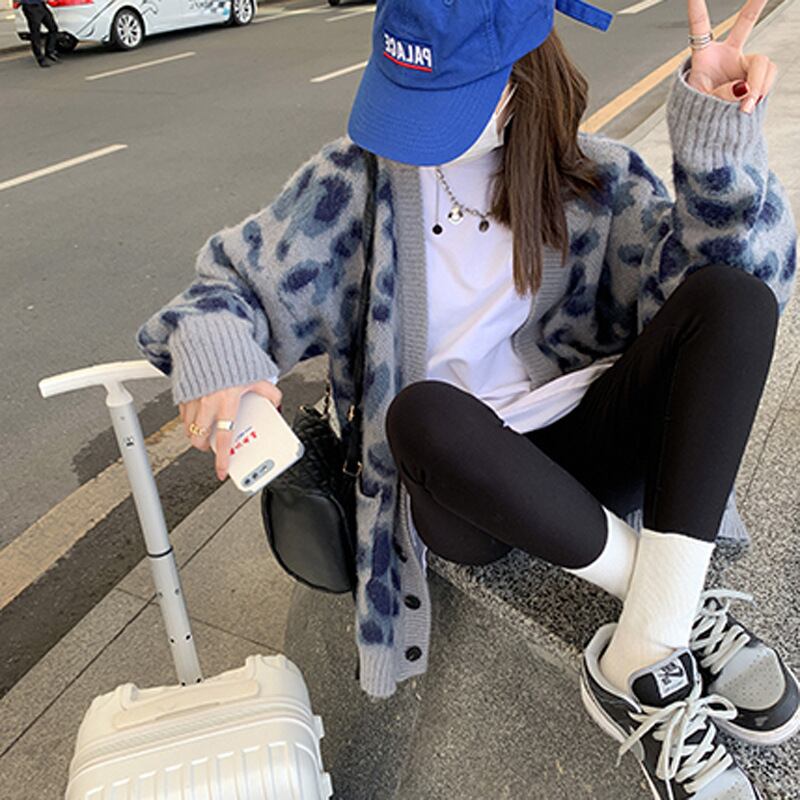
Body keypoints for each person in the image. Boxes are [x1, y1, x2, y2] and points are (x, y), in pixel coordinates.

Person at [136, 0, 799, 795]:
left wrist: (716, 143)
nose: (412, 129)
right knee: (422, 411)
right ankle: (673, 604)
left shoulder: (597, 178)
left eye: (446, 98)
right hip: (460, 483)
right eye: (403, 93)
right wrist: (220, 358)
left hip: (587, 440)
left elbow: (720, 292)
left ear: (519, 79)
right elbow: (227, 288)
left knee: (734, 300)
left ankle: (643, 649)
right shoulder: (352, 187)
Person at [19, 0, 60, 68]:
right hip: (30, 6)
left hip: (41, 5)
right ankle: (40, 58)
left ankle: (49, 51)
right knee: (35, 33)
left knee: (53, 28)